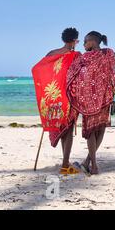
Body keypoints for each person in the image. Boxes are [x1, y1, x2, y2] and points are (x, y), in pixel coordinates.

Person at [67, 31, 115, 175]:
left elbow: (71, 72)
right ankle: (88, 162)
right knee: (101, 129)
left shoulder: (84, 57)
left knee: (91, 131)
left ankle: (94, 166)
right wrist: (114, 83)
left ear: (92, 41)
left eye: (85, 42)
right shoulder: (109, 53)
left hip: (89, 101)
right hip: (106, 97)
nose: (84, 45)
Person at [32, 27, 81, 175]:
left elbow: (39, 69)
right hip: (69, 98)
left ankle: (65, 161)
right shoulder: (76, 55)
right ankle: (65, 164)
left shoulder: (51, 54)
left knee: (62, 128)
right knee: (69, 129)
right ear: (74, 40)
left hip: (55, 98)